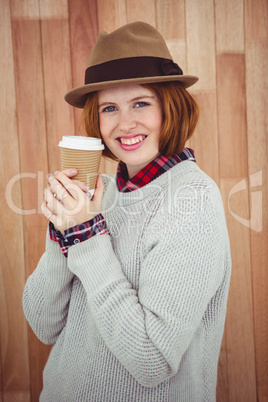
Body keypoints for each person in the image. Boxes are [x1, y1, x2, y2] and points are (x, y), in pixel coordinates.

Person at [23, 21, 231, 401]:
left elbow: (151, 360)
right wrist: (62, 231)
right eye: (110, 108)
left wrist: (86, 236)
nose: (125, 123)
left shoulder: (193, 201)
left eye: (141, 103)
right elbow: (43, 324)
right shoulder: (99, 192)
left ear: (170, 106)